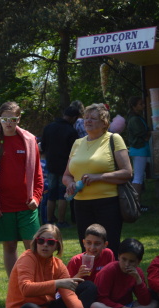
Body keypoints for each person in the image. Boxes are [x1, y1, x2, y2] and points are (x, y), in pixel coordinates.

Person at [62, 103, 133, 256]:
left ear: (104, 123)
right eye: (86, 118)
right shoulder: (77, 143)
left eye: (93, 118)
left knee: (109, 248)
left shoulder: (114, 139)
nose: (88, 121)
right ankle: (89, 272)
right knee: (87, 249)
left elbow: (127, 172)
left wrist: (98, 177)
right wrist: (70, 183)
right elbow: (66, 175)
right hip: (81, 204)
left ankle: (110, 272)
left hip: (107, 203)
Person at [5, 224, 97, 308]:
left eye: (50, 242)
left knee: (88, 286)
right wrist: (57, 283)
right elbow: (26, 289)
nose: (45, 245)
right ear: (35, 242)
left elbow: (69, 295)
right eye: (41, 241)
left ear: (57, 246)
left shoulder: (58, 264)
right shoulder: (27, 258)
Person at [0, 101, 43, 277]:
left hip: (27, 205)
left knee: (33, 246)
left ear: (19, 119)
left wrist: (36, 198)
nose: (8, 123)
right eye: (5, 119)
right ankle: (15, 285)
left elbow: (38, 174)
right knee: (10, 246)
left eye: (12, 119)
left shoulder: (29, 140)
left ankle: (35, 283)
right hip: (3, 206)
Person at [90, 238, 159, 308]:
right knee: (95, 307)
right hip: (109, 307)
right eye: (124, 259)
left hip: (127, 306)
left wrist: (138, 280)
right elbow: (101, 298)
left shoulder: (137, 273)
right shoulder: (109, 270)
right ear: (118, 256)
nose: (127, 264)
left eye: (131, 261)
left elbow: (145, 301)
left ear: (138, 261)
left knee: (154, 304)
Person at [40, 105, 80, 228]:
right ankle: (61, 221)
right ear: (74, 118)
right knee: (63, 195)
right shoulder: (71, 131)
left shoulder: (49, 127)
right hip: (65, 167)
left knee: (51, 195)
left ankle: (49, 220)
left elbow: (43, 146)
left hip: (51, 165)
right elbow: (75, 151)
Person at [125, 96, 151, 211]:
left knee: (139, 177)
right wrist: (147, 134)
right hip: (139, 149)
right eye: (140, 104)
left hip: (140, 149)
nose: (143, 106)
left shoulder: (136, 117)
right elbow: (143, 134)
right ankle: (136, 205)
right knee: (138, 178)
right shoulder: (134, 119)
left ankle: (136, 204)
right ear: (134, 106)